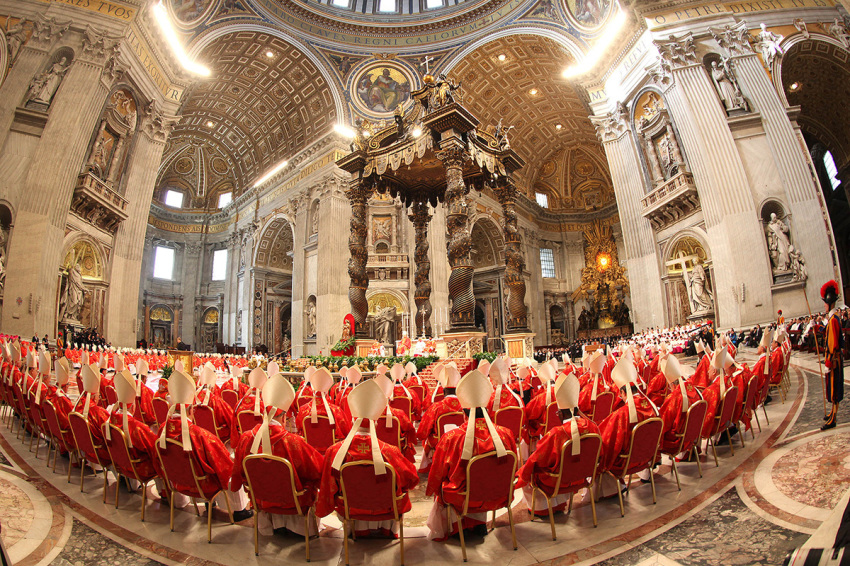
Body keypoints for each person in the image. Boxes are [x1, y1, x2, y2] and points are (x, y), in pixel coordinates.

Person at [318, 379, 419, 538]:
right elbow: (411, 478)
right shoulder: (391, 452)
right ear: (376, 423)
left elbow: (327, 486)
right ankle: (387, 529)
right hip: (387, 507)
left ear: (352, 421)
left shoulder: (334, 451)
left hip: (349, 507)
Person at [425, 369, 517, 540]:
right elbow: (514, 467)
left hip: (463, 496)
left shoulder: (452, 438)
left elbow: (438, 471)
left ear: (464, 412)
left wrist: (432, 488)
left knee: (451, 480)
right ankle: (479, 523)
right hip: (499, 493)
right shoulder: (506, 434)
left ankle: (459, 526)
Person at [231, 374, 323, 537]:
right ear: (285, 417)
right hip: (293, 501)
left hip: (261, 499)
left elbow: (239, 470)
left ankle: (271, 525)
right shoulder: (293, 442)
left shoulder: (246, 438)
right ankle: (300, 530)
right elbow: (317, 470)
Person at [157, 370, 253, 521]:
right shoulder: (200, 435)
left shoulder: (162, 429)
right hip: (202, 484)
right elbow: (223, 465)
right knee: (231, 466)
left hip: (177, 479)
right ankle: (239, 510)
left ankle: (210, 504)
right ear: (191, 410)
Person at [516, 372, 599, 516]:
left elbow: (537, 460)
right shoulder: (593, 427)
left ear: (560, 413)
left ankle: (541, 509)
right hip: (582, 476)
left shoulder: (556, 434)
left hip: (556, 481)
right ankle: (560, 503)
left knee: (530, 469)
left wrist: (520, 475)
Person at [821, 280, 843, 430]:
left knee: (834, 390)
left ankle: (833, 419)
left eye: (825, 303)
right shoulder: (832, 319)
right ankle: (831, 412)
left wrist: (829, 361)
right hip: (834, 358)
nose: (824, 305)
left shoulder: (833, 320)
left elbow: (833, 342)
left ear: (829, 303)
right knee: (833, 388)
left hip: (834, 360)